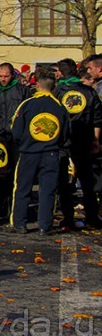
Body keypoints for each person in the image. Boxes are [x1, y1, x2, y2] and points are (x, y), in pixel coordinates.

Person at [9, 69, 70, 235]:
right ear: (54, 86)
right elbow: (65, 133)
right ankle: (45, 225)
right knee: (48, 190)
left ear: (36, 85)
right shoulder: (59, 107)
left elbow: (16, 130)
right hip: (51, 153)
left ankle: (20, 224)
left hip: (29, 152)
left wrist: (25, 143)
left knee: (22, 188)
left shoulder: (27, 104)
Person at [53, 58, 102, 230]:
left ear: (60, 72)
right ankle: (92, 217)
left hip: (64, 142)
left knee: (65, 182)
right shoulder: (88, 91)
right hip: (85, 139)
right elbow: (97, 118)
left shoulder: (56, 91)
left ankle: (68, 218)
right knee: (87, 181)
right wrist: (96, 140)